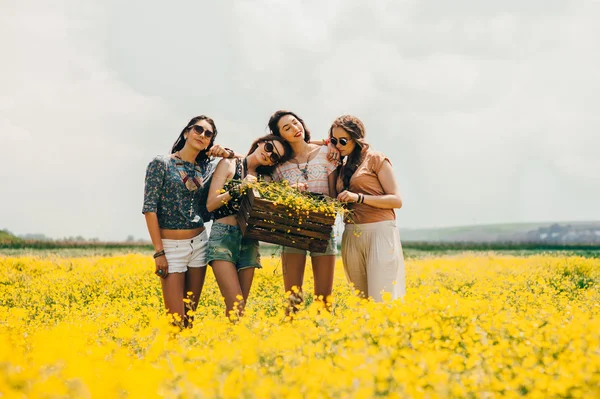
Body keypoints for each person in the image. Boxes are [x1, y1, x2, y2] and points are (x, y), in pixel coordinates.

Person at [142, 115, 234, 326]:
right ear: (186, 132)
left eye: (208, 134)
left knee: (189, 319)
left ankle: (186, 358)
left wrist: (226, 152)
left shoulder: (207, 168)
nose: (202, 135)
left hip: (199, 244)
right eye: (198, 130)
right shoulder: (161, 163)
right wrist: (159, 252)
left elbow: (240, 159)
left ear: (210, 142)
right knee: (175, 320)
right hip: (171, 248)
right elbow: (149, 209)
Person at [206, 134, 292, 318]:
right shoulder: (229, 164)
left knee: (239, 309)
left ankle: (232, 344)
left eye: (274, 157)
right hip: (223, 236)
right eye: (268, 148)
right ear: (260, 143)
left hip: (250, 240)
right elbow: (211, 204)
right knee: (235, 304)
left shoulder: (266, 180)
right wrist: (239, 188)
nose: (269, 155)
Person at [267, 110, 339, 313]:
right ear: (281, 136)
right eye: (287, 128)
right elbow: (271, 192)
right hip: (291, 230)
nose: (295, 129)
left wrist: (329, 143)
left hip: (322, 227)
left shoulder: (327, 153)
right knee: (292, 299)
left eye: (295, 123)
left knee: (324, 300)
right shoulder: (278, 164)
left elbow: (333, 195)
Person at [330, 115, 406, 302]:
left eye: (342, 140)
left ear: (356, 138)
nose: (338, 145)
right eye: (334, 140)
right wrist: (329, 147)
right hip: (352, 235)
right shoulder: (342, 164)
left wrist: (359, 198)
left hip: (379, 231)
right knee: (362, 302)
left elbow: (396, 200)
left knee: (382, 299)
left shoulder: (376, 158)